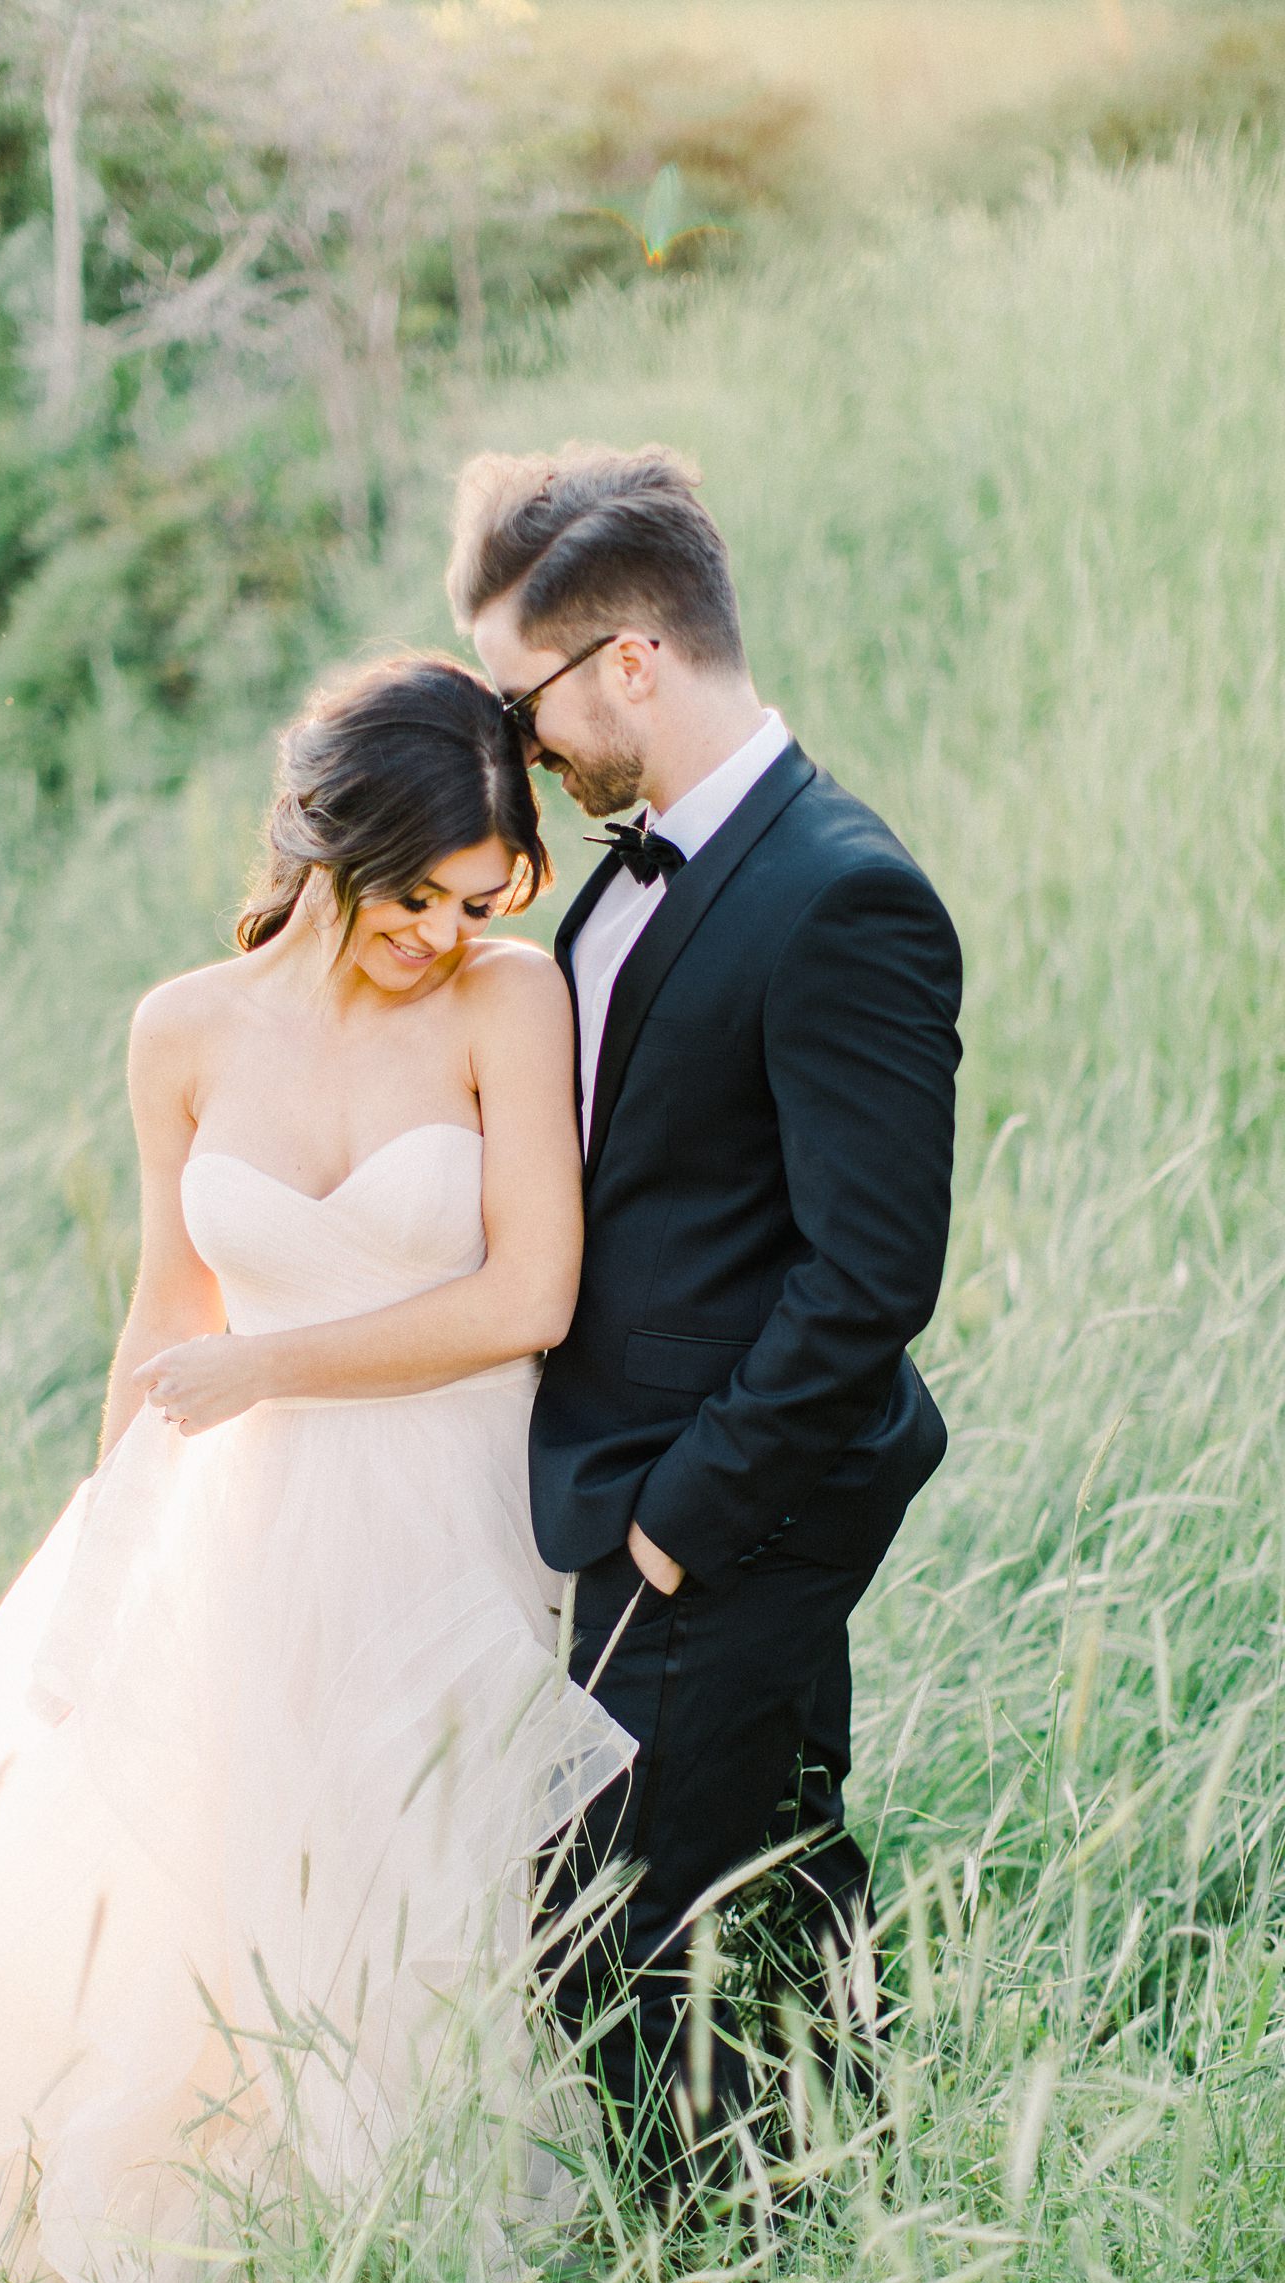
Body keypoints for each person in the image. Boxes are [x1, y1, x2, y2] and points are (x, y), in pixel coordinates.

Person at [0, 655, 635, 2283]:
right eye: (412, 893)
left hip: (439, 1526)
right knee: (170, 1901)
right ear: (325, 843)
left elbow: (531, 1297)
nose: (440, 930)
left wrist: (267, 1357)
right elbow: (157, 1315)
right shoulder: (182, 1028)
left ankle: (389, 2261)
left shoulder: (508, 1006)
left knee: (393, 1913)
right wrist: (101, 1556)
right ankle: (174, 2244)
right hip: (237, 1520)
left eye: (480, 899)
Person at [451, 442, 963, 2190]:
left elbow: (871, 1274)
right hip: (627, 1488)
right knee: (771, 1879)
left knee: (615, 1932)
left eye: (528, 707)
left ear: (632, 663)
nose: (524, 754)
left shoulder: (844, 893)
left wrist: (679, 1521)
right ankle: (834, 2245)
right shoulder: (641, 867)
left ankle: (718, 2281)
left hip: (715, 1508)